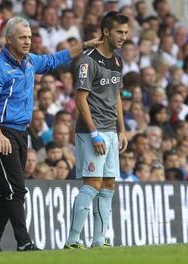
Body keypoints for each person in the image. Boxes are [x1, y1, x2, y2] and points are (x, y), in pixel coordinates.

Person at [0, 16, 101, 253]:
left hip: (20, 132)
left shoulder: (30, 61)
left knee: (7, 190)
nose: (27, 41)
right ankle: (24, 242)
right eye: (22, 37)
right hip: (1, 132)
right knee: (16, 189)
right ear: (9, 39)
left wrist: (85, 45)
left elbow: (55, 59)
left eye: (29, 37)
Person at [65, 12, 128, 249]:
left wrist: (122, 130)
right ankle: (72, 240)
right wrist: (94, 133)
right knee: (92, 184)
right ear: (106, 32)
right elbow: (80, 99)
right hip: (92, 132)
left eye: (126, 32)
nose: (124, 36)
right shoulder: (87, 60)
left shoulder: (118, 60)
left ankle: (99, 241)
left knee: (108, 185)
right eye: (120, 32)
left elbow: (117, 97)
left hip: (111, 131)